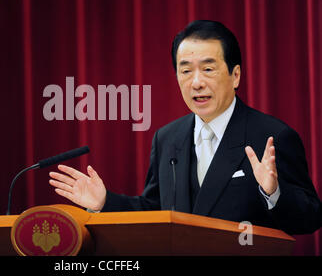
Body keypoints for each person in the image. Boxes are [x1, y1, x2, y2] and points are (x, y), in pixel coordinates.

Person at [48, 20, 321, 235]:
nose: (196, 82)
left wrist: (273, 193)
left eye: (208, 69)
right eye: (186, 70)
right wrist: (106, 202)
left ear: (235, 75)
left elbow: (310, 219)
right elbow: (156, 210)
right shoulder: (167, 138)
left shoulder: (272, 136)